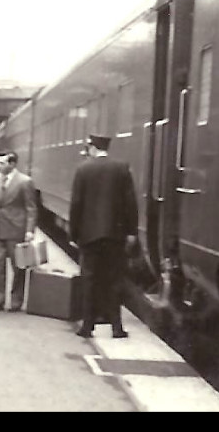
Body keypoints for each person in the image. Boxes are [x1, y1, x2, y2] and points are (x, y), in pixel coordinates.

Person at [69, 134, 137, 339]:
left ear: (92, 147)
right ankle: (116, 328)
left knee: (89, 280)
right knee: (114, 281)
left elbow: (76, 204)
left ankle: (87, 327)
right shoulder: (122, 168)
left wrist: (74, 233)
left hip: (89, 236)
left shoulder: (83, 169)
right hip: (115, 236)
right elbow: (130, 203)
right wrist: (131, 231)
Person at [0, 151, 38, 312]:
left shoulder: (25, 182)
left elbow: (31, 208)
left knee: (18, 267)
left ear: (12, 164)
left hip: (17, 228)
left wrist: (29, 230)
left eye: (2, 163)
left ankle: (16, 301)